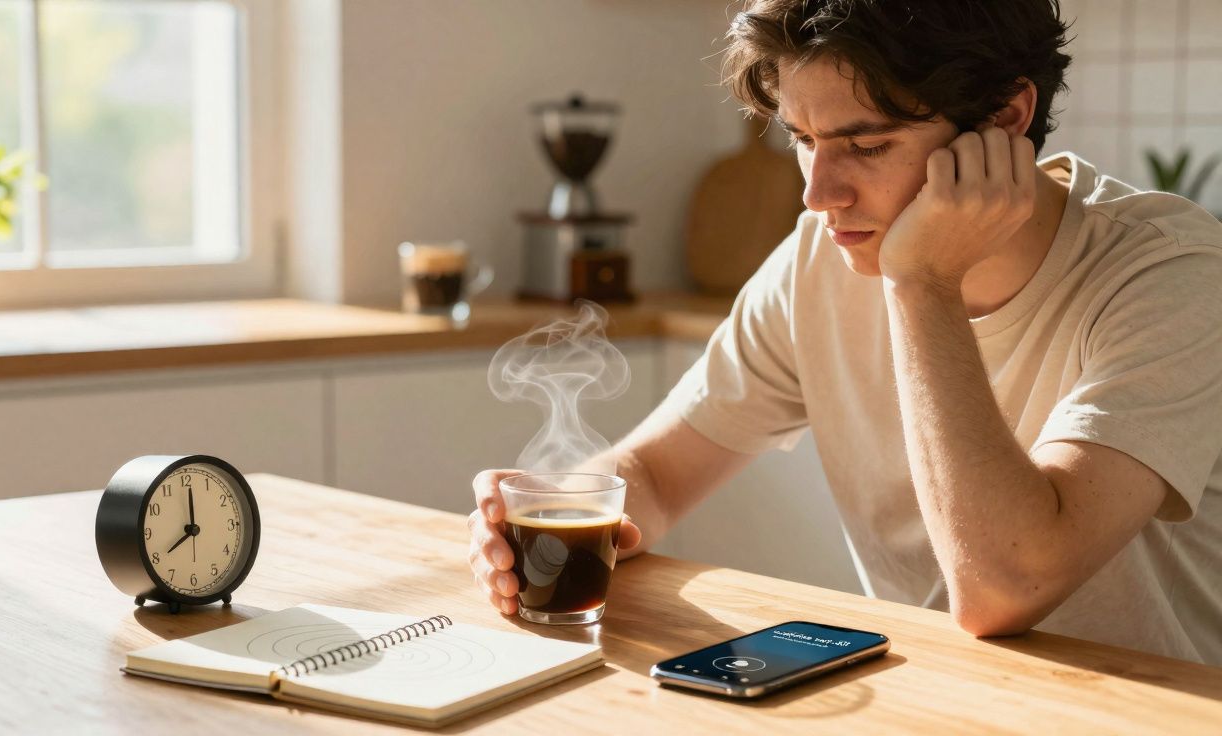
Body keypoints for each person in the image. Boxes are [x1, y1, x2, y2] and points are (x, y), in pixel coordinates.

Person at [468, 0, 1222, 665]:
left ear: (1005, 119)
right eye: (802, 138)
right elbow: (660, 476)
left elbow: (1005, 587)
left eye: (866, 146)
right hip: (939, 701)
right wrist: (556, 507)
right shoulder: (816, 260)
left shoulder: (1171, 275)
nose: (818, 195)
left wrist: (922, 281)